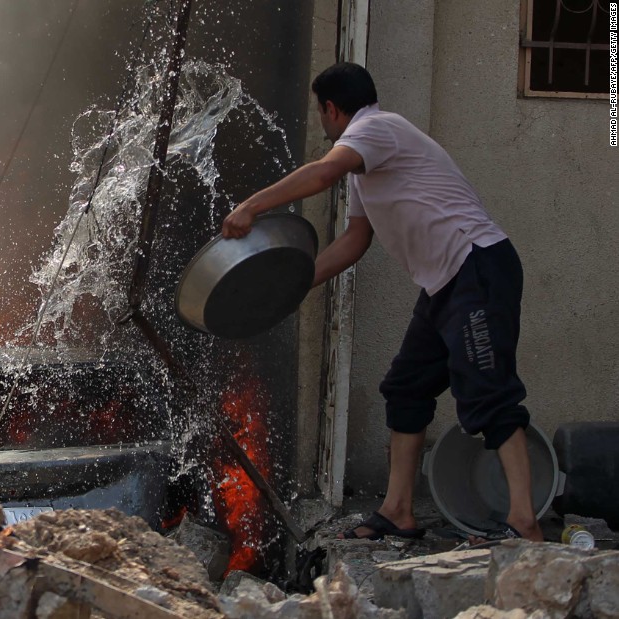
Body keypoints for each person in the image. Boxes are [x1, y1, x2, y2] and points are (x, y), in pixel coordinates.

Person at [221, 62, 543, 542]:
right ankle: (397, 511)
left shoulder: (377, 128)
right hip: (443, 283)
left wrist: (251, 205)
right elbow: (355, 240)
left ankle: (524, 524)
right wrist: (294, 284)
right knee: (406, 389)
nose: (323, 124)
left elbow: (323, 172)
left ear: (332, 108)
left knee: (488, 392)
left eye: (321, 113)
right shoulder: (364, 165)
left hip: (476, 267)